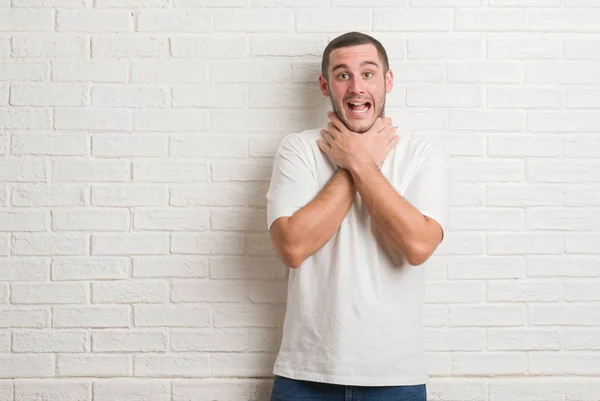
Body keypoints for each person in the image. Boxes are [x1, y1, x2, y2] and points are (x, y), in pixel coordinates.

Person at [265, 31, 451, 401]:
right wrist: (357, 162)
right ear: (325, 84)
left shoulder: (423, 154)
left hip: (395, 376)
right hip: (306, 374)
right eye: (342, 74)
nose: (355, 87)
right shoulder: (298, 149)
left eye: (368, 73)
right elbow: (292, 246)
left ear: (388, 81)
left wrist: (359, 162)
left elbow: (417, 246)